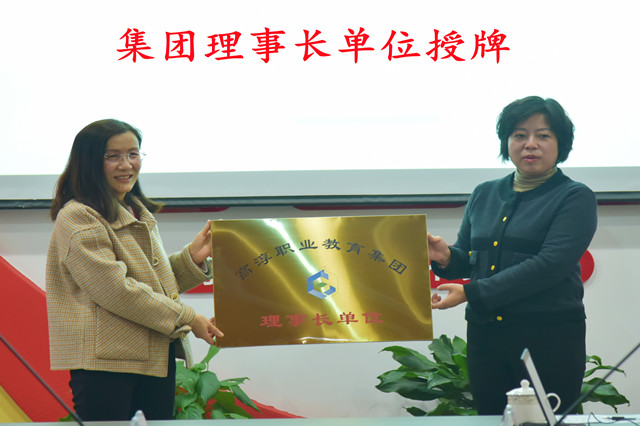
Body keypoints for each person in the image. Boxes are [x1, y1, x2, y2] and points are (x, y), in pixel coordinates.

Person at [428, 96, 597, 415]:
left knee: (548, 419)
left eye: (543, 135)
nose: (530, 144)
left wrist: (472, 292)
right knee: (492, 418)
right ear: (507, 142)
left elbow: (549, 265)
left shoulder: (575, 197)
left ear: (561, 143)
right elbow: (471, 258)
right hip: (486, 336)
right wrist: (447, 256)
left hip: (548, 337)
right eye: (519, 135)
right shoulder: (485, 192)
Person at [46, 119, 224, 421]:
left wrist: (191, 259)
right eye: (112, 156)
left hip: (153, 356)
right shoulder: (79, 217)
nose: (126, 164)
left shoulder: (134, 210)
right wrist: (188, 318)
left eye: (133, 154)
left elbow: (149, 282)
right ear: (89, 162)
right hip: (106, 364)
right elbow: (118, 291)